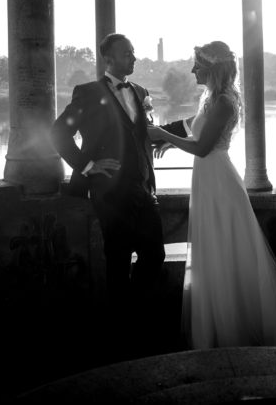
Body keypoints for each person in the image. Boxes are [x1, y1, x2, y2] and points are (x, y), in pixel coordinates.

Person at [147, 40, 276, 349]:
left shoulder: (226, 101)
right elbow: (196, 129)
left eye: (197, 65)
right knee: (211, 249)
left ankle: (232, 329)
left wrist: (161, 134)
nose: (192, 70)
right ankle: (213, 325)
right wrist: (171, 141)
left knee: (225, 248)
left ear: (212, 69)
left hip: (220, 183)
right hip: (208, 179)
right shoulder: (210, 98)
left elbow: (202, 147)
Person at [50, 33, 166, 340]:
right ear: (109, 59)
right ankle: (122, 332)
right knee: (117, 260)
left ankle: (132, 309)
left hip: (143, 188)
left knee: (155, 254)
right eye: (127, 53)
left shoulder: (140, 91)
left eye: (133, 52)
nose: (133, 57)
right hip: (109, 193)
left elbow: (143, 134)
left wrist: (182, 135)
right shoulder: (87, 93)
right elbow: (58, 132)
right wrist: (88, 167)